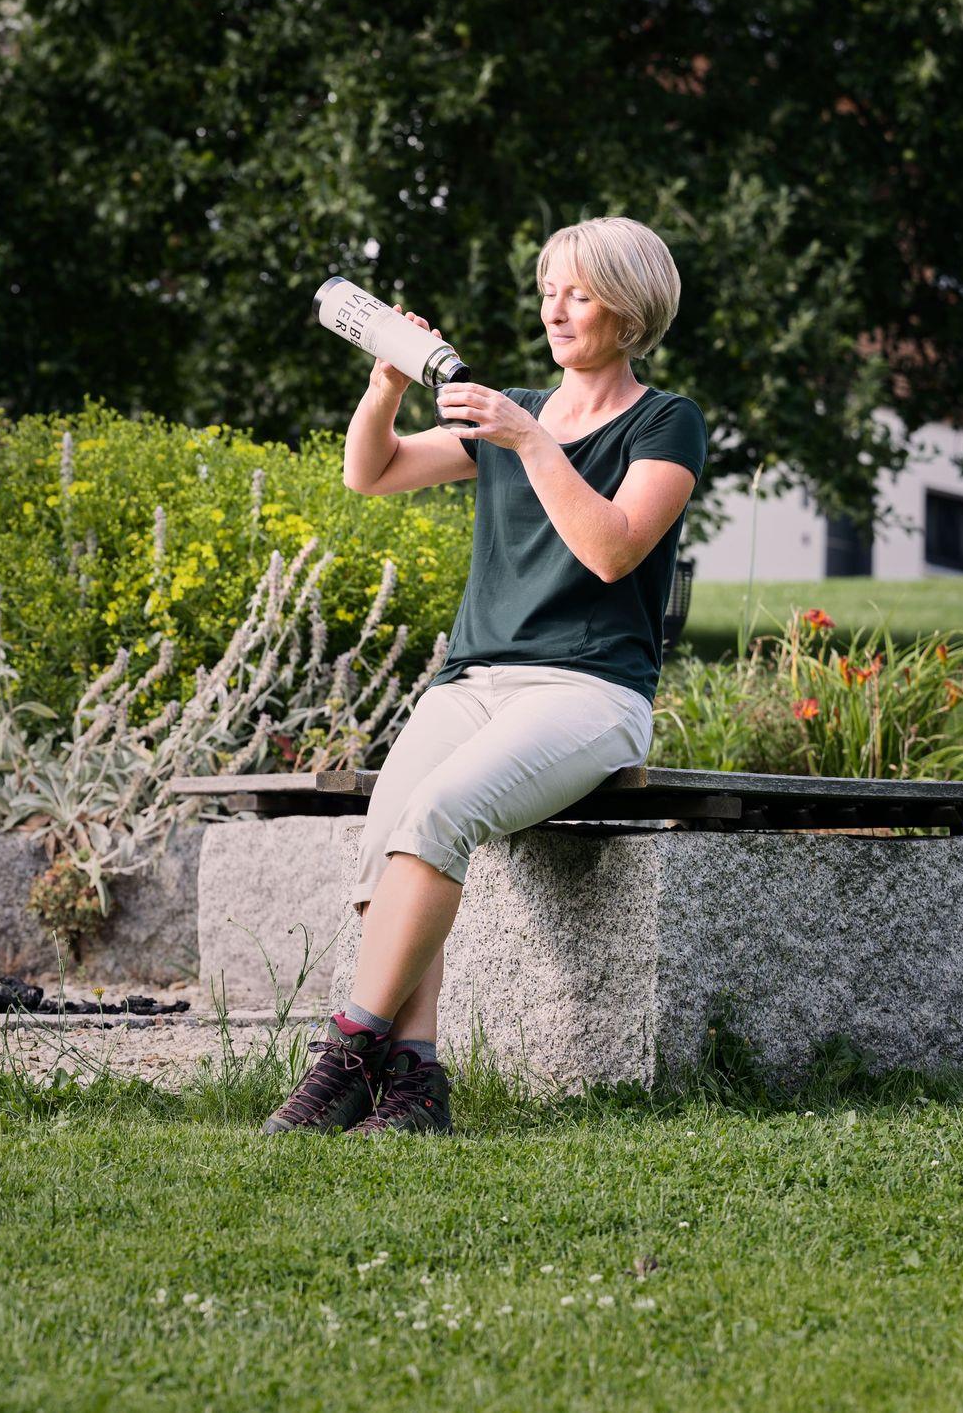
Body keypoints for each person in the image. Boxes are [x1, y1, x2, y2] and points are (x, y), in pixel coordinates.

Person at [263, 215, 708, 1138]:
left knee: (438, 814)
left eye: (579, 293)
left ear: (629, 312)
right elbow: (372, 472)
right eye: (548, 290)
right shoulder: (510, 409)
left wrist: (532, 441)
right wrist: (385, 385)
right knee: (389, 835)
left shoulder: (666, 422)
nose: (555, 309)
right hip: (473, 682)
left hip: (590, 691)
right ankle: (415, 1081)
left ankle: (347, 1050)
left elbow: (613, 550)